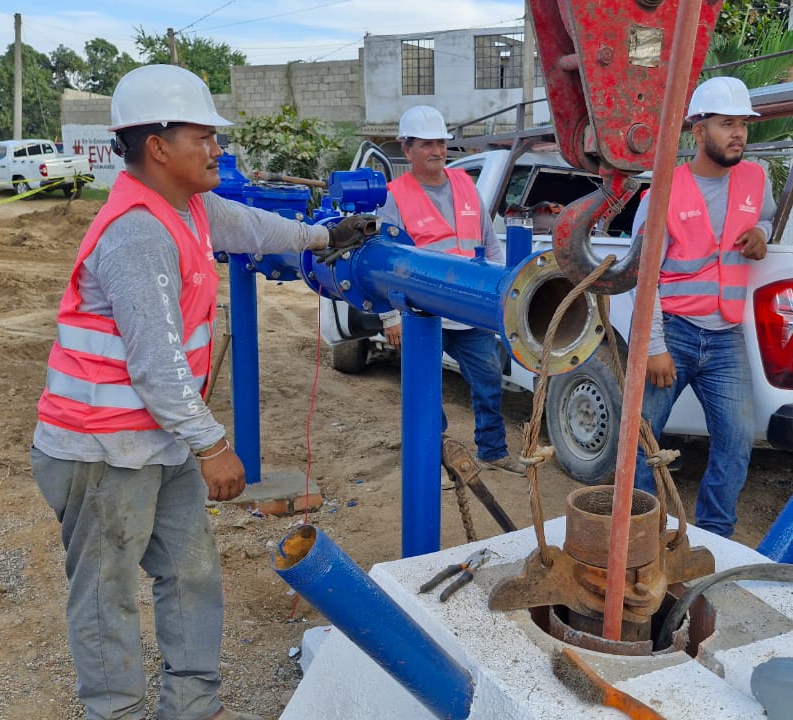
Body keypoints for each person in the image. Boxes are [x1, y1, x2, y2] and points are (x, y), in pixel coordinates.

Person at [29, 64, 373, 720]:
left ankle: (191, 707)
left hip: (155, 439)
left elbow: (249, 228)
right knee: (106, 596)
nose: (218, 149)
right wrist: (213, 446)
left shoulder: (186, 205)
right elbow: (156, 365)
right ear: (157, 147)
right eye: (204, 137)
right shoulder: (136, 231)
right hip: (98, 449)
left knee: (189, 574)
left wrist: (324, 236)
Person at [631, 76, 774, 539]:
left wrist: (763, 235)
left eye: (743, 125)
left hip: (725, 334)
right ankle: (636, 529)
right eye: (726, 123)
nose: (738, 133)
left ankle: (715, 537)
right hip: (673, 330)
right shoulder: (662, 193)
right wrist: (653, 345)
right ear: (698, 131)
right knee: (642, 439)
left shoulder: (756, 177)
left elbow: (765, 216)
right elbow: (642, 275)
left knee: (735, 443)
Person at [375, 105, 527, 475]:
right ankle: (434, 453)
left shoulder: (464, 184)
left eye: (441, 143)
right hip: (421, 312)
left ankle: (492, 450)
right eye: (427, 144)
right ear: (406, 148)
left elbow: (489, 243)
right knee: (425, 390)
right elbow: (380, 260)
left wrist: (502, 291)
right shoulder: (393, 196)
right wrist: (389, 316)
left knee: (489, 379)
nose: (437, 151)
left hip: (470, 309)